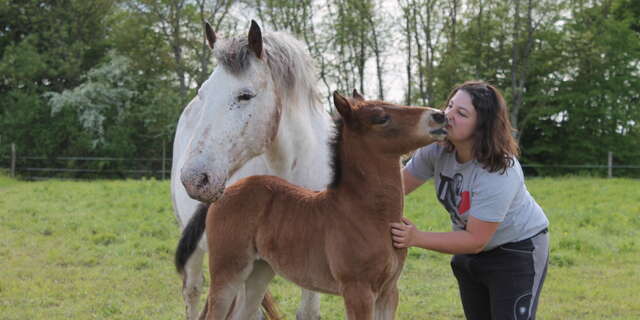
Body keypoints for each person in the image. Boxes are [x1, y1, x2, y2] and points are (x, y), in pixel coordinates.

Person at [390, 80, 549, 320]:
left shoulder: (498, 170)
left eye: (461, 113)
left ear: (482, 126)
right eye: (450, 106)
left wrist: (416, 237)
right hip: (470, 252)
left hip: (516, 252)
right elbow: (394, 190)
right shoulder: (437, 149)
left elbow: (476, 239)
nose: (448, 115)